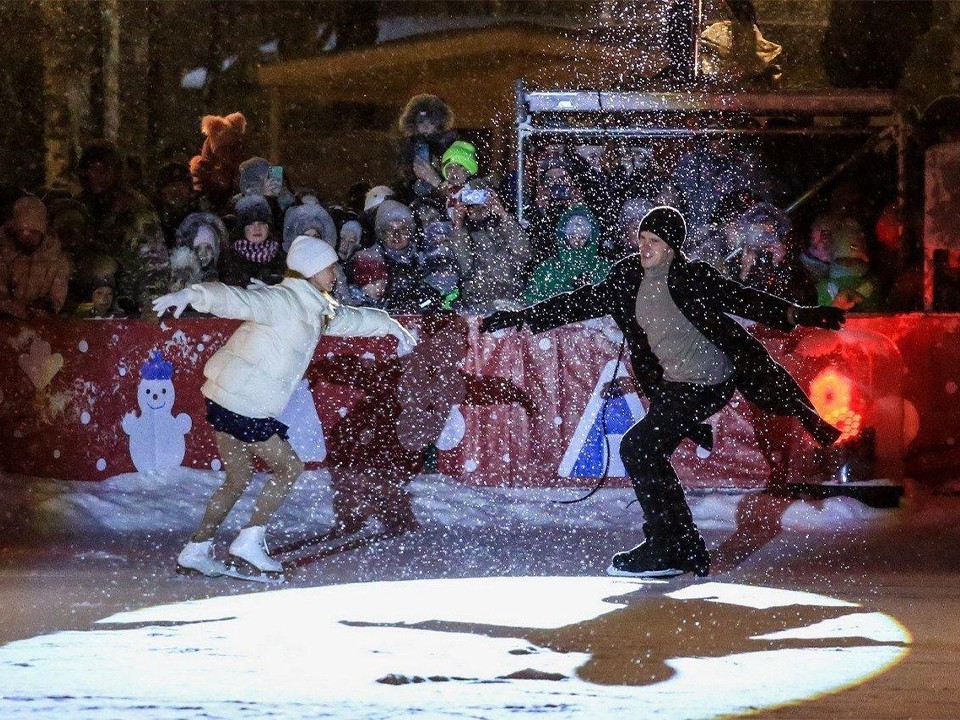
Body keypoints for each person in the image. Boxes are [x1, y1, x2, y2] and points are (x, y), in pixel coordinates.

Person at [480, 206, 846, 578]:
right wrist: (523, 316)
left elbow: (743, 299)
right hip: (674, 384)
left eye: (653, 241)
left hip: (709, 379)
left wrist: (799, 314)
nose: (644, 247)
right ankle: (679, 546)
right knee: (644, 450)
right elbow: (580, 302)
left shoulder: (692, 277)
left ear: (671, 246)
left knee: (640, 448)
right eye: (641, 239)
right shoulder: (627, 278)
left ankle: (670, 545)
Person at [153, 234, 417, 578]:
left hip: (227, 395)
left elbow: (350, 319)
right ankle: (249, 542)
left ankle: (197, 549)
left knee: (238, 476)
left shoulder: (317, 308)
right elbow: (235, 299)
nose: (334, 275)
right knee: (289, 467)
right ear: (309, 272)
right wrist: (191, 294)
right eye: (328, 269)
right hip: (242, 403)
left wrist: (388, 324)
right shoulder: (281, 300)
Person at [0, 196, 71, 319]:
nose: (26, 235)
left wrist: (44, 308)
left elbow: (57, 298)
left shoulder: (58, 261)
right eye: (21, 230)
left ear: (42, 230)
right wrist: (12, 307)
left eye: (33, 231)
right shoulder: (4, 257)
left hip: (41, 323)